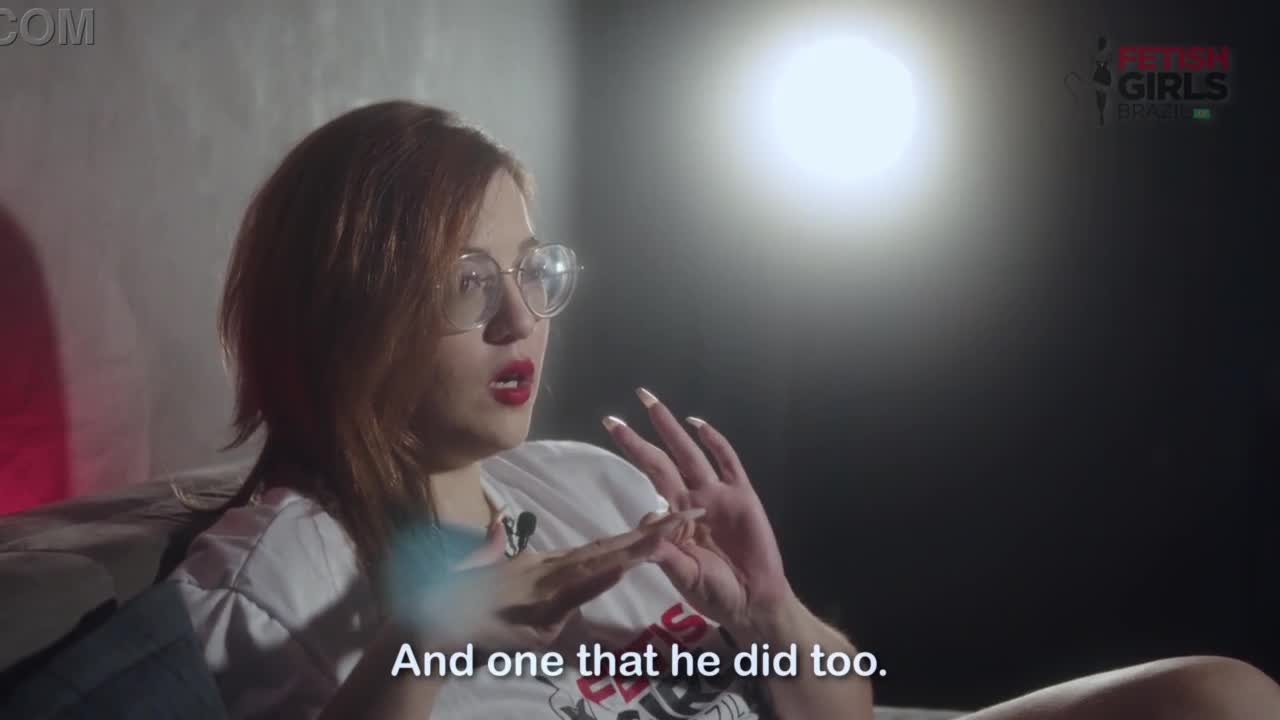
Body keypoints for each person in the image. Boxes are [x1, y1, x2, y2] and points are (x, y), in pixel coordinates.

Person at [168, 101, 1280, 720]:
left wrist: (768, 613)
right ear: (348, 309)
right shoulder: (267, 580)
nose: (522, 319)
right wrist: (423, 646)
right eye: (467, 284)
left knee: (1222, 699)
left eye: (533, 271)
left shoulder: (590, 483)